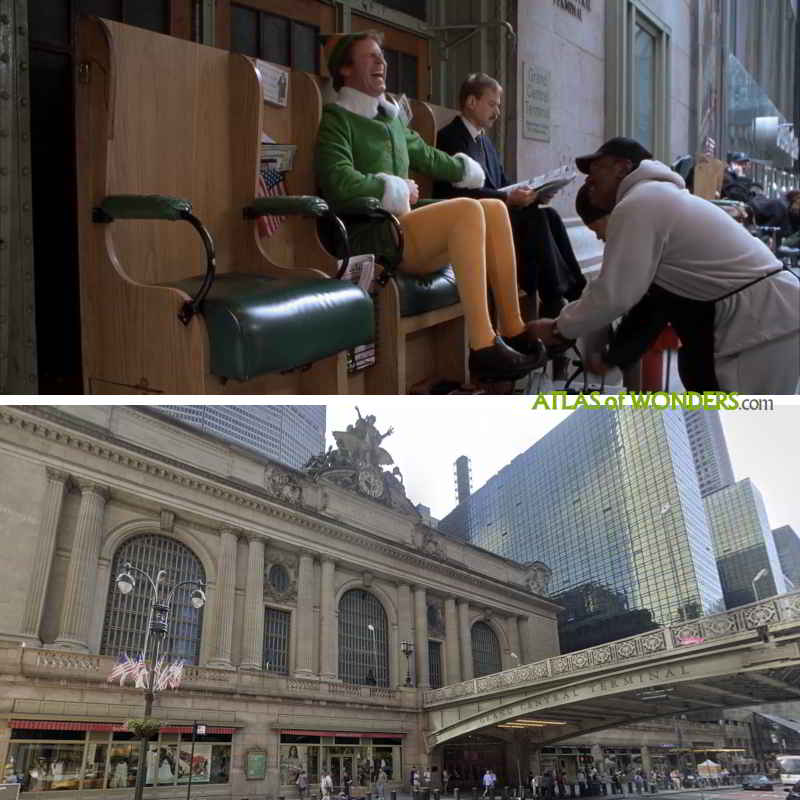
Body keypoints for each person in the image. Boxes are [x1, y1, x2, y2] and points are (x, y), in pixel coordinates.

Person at [315, 32, 547, 384]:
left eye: (382, 56)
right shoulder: (337, 119)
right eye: (370, 57)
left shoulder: (392, 119)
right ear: (345, 69)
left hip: (403, 228)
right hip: (371, 233)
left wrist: (465, 169)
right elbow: (338, 182)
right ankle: (483, 346)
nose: (382, 62)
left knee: (493, 209)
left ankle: (512, 328)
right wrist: (392, 187)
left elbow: (427, 155)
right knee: (468, 210)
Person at [531, 137, 800, 393]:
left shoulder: (640, 202)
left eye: (596, 168)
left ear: (623, 168)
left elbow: (615, 294)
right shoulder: (654, 197)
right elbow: (648, 302)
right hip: (762, 320)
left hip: (761, 324)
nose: (589, 178)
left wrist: (559, 328)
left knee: (742, 429)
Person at [434, 73, 587, 319]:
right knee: (536, 221)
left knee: (549, 215)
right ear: (471, 102)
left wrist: (534, 195)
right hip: (472, 222)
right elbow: (455, 192)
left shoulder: (486, 144)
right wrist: (509, 199)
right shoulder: (449, 137)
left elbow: (503, 185)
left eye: (499, 106)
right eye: (492, 104)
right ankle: (554, 299)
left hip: (498, 216)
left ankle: (576, 293)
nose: (497, 112)